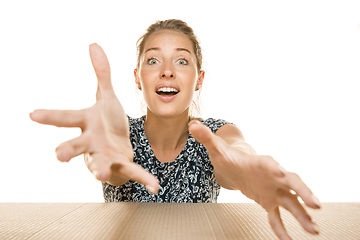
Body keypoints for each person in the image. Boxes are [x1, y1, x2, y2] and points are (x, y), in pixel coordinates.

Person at [30, 19, 320, 240]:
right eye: (153, 60)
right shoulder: (117, 133)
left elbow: (235, 154)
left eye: (181, 61)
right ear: (138, 77)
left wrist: (244, 167)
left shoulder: (216, 134)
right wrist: (102, 156)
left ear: (199, 79)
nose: (167, 70)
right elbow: (113, 168)